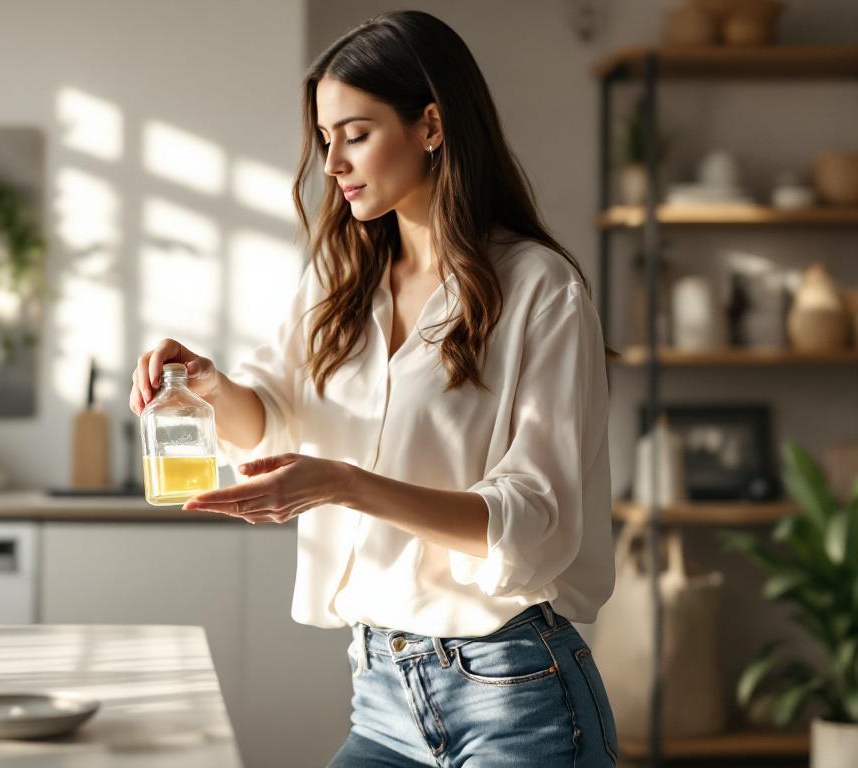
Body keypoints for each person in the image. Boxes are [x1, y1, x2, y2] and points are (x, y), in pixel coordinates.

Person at [129, 10, 619, 768]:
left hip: (515, 694)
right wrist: (207, 385)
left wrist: (346, 485)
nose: (332, 164)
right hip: (383, 694)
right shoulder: (338, 278)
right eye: (325, 139)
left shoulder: (538, 289)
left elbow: (536, 519)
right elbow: (273, 415)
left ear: (431, 125)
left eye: (354, 135)